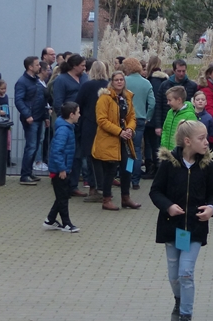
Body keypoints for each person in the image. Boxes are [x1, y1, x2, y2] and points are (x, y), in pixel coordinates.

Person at [150, 120, 213, 321]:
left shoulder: (207, 165)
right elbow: (155, 191)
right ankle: (178, 301)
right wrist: (168, 206)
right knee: (174, 275)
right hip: (172, 228)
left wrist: (211, 209)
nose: (207, 142)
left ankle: (186, 319)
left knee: (186, 273)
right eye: (202, 138)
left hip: (195, 229)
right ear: (188, 141)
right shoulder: (168, 164)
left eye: (206, 137)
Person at [93, 70, 140, 211]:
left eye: (121, 80)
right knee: (110, 170)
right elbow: (102, 120)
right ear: (111, 82)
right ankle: (106, 199)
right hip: (110, 139)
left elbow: (132, 117)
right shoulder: (105, 98)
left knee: (128, 167)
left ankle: (126, 197)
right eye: (116, 80)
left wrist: (130, 129)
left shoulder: (127, 97)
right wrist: (119, 131)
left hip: (125, 140)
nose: (119, 82)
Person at [73, 60, 109, 202]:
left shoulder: (87, 86)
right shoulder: (109, 86)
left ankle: (94, 188)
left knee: (91, 157)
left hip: (90, 125)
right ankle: (105, 188)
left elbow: (78, 104)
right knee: (104, 158)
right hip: (106, 126)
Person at [43, 101, 80, 233]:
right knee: (63, 197)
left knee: (62, 196)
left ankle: (50, 220)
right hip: (59, 170)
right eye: (78, 112)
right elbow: (57, 151)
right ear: (71, 115)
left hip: (63, 168)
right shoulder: (64, 130)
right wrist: (62, 169)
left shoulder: (67, 127)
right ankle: (66, 223)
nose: (79, 115)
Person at [123, 57, 156, 191]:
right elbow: (152, 103)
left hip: (125, 119)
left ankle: (127, 176)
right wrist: (148, 117)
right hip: (141, 119)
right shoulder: (146, 83)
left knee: (127, 150)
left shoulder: (124, 81)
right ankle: (135, 180)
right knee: (136, 149)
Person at [14, 56, 47, 185]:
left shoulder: (36, 81)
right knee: (31, 146)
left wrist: (45, 116)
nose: (39, 67)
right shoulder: (22, 82)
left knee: (35, 145)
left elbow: (41, 99)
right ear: (30, 67)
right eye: (37, 65)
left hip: (38, 117)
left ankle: (29, 172)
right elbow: (18, 100)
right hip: (31, 119)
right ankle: (25, 175)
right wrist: (27, 115)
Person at [143, 55, 168, 180]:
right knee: (157, 144)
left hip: (150, 118)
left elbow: (152, 102)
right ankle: (158, 167)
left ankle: (151, 168)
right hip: (161, 117)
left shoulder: (150, 81)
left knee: (149, 144)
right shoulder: (165, 81)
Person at [161, 86, 197, 151]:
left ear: (179, 100)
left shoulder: (190, 116)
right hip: (166, 151)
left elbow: (192, 136)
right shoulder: (170, 112)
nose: (168, 103)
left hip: (179, 152)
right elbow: (165, 129)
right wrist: (163, 143)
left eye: (170, 100)